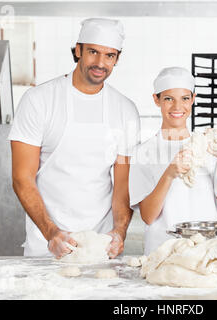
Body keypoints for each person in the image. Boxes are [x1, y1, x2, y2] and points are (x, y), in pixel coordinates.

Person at [9, 18, 140, 259]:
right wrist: (52, 233)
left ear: (117, 59)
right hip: (46, 246)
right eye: (93, 52)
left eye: (109, 55)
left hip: (100, 247)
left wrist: (119, 231)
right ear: (78, 50)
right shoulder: (39, 100)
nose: (100, 63)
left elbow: (123, 185)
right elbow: (21, 178)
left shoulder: (125, 109)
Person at [129, 67, 217, 255]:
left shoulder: (207, 145)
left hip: (206, 250)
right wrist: (170, 174)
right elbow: (148, 216)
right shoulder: (144, 152)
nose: (177, 107)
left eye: (185, 98)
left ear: (193, 99)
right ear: (156, 100)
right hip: (163, 252)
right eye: (169, 99)